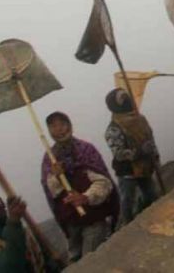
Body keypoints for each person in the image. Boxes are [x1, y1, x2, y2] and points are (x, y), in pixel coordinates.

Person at [41, 112, 118, 262]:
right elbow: (51, 191)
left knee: (90, 261)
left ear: (70, 126)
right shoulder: (49, 158)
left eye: (62, 124)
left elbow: (103, 182)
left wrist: (85, 198)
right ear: (49, 131)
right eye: (53, 126)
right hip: (70, 222)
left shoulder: (86, 150)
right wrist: (56, 177)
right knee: (75, 260)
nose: (59, 129)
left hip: (92, 217)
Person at [104, 89, 159, 226]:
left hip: (145, 166)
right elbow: (119, 153)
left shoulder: (140, 119)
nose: (127, 100)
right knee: (127, 200)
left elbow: (150, 138)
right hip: (127, 170)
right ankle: (127, 225)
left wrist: (155, 155)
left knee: (151, 195)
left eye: (127, 97)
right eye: (122, 99)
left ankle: (144, 216)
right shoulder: (114, 128)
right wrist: (139, 151)